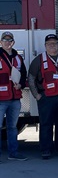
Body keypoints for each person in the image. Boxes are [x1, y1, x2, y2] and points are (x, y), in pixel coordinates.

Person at [28, 33, 58, 159]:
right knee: (46, 124)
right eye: (49, 44)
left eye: (55, 43)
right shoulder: (38, 60)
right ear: (45, 46)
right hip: (46, 98)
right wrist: (36, 95)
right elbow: (31, 78)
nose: (52, 46)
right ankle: (46, 149)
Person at [0, 31, 27, 161]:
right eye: (4, 40)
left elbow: (24, 74)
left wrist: (20, 85)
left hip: (15, 98)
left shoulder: (18, 58)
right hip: (1, 99)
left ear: (13, 42)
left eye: (9, 40)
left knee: (12, 127)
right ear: (0, 42)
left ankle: (13, 153)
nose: (7, 42)